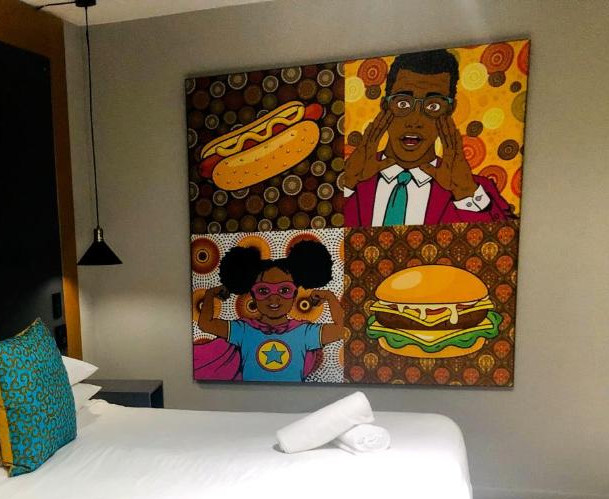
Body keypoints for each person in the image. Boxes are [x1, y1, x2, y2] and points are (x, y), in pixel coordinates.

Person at [344, 49, 513, 226]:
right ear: (385, 105)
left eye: (433, 106)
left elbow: (506, 239)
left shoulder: (474, 190)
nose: (415, 121)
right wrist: (346, 183)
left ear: (450, 110)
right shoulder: (350, 178)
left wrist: (465, 192)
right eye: (403, 103)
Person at [196, 241, 342, 382]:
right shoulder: (244, 329)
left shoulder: (304, 332)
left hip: (294, 396)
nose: (273, 299)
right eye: (263, 291)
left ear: (295, 294)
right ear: (253, 296)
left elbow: (341, 330)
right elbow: (206, 324)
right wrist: (210, 295)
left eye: (284, 290)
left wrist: (330, 297)